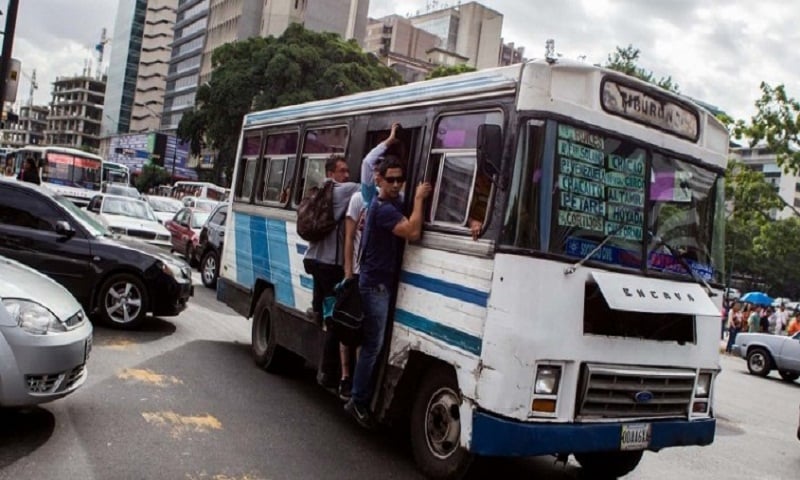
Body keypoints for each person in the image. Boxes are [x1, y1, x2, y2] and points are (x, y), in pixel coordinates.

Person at [344, 158, 432, 426]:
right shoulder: (382, 209)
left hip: (378, 283)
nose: (396, 184)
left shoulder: (388, 204)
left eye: (399, 179)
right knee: (373, 345)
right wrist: (418, 200)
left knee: (372, 344)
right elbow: (413, 232)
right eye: (390, 179)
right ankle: (357, 401)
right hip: (375, 287)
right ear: (378, 180)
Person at [337, 125, 402, 401]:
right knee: (351, 329)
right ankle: (347, 381)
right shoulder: (366, 198)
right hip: (365, 275)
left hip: (372, 275)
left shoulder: (395, 199)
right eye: (380, 174)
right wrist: (348, 273)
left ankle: (354, 386)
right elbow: (349, 240)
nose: (392, 182)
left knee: (365, 335)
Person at [303, 155, 360, 391]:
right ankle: (326, 373)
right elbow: (366, 187)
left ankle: (316, 311)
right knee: (335, 321)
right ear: (330, 174)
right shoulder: (340, 192)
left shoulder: (320, 193)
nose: (346, 175)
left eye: (347, 171)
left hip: (314, 261)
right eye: (342, 171)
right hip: (328, 265)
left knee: (323, 310)